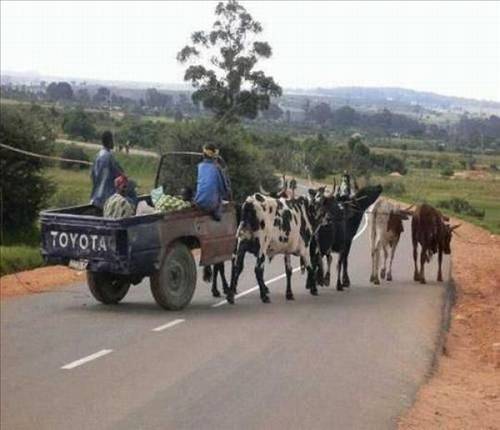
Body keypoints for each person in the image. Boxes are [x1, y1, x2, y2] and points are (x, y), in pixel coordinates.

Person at [194, 144, 231, 221]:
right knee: (219, 206)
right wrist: (228, 195)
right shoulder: (217, 168)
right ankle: (217, 217)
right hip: (212, 204)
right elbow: (223, 189)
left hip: (199, 202)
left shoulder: (200, 166)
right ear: (214, 156)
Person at [90, 131, 124, 212]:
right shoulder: (110, 157)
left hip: (95, 198)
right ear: (109, 141)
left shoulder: (97, 156)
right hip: (107, 200)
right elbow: (120, 175)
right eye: (112, 140)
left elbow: (92, 175)